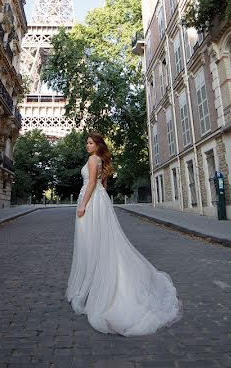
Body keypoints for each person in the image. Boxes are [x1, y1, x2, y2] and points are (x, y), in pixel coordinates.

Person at [65, 132, 181, 336]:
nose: (87, 145)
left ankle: (93, 287)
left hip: (91, 202)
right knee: (101, 243)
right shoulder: (100, 160)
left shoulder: (93, 159)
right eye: (87, 143)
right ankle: (97, 282)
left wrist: (83, 204)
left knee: (91, 243)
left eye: (90, 143)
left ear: (98, 145)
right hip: (100, 202)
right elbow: (103, 185)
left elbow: (92, 183)